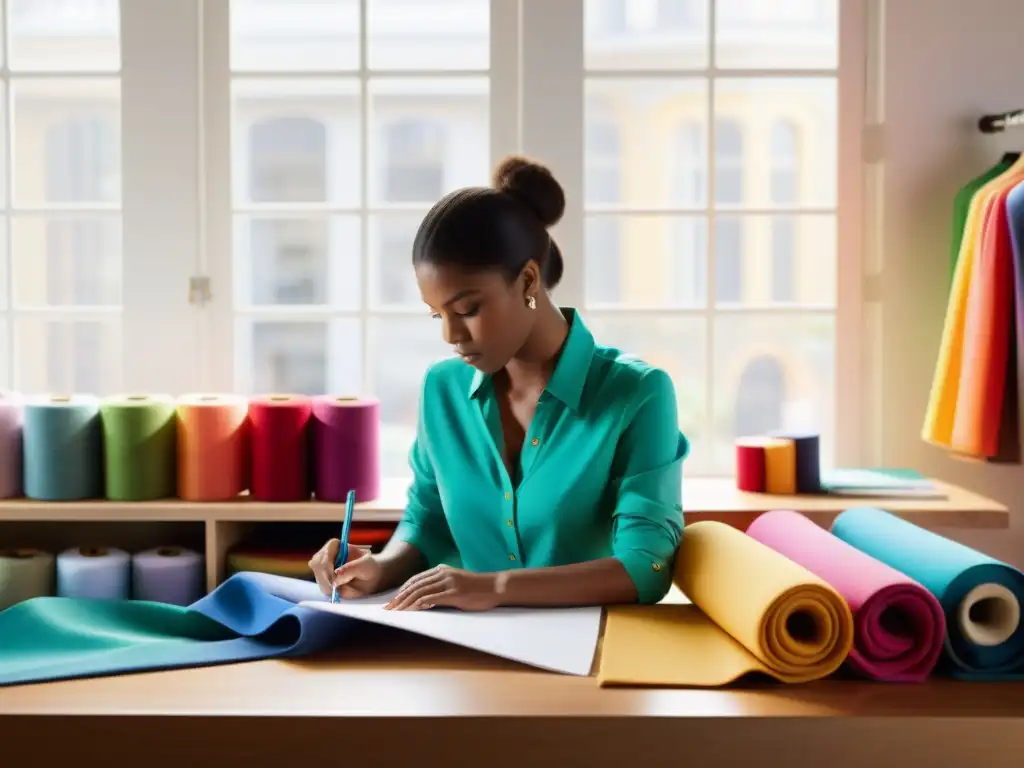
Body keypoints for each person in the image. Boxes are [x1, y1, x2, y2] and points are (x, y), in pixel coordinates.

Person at [309, 155, 689, 611]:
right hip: (470, 654)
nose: (451, 336)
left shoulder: (636, 394)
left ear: (528, 279)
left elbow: (645, 567)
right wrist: (383, 567)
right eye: (438, 315)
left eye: (467, 310)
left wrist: (492, 588)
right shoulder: (442, 390)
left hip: (596, 654)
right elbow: (427, 518)